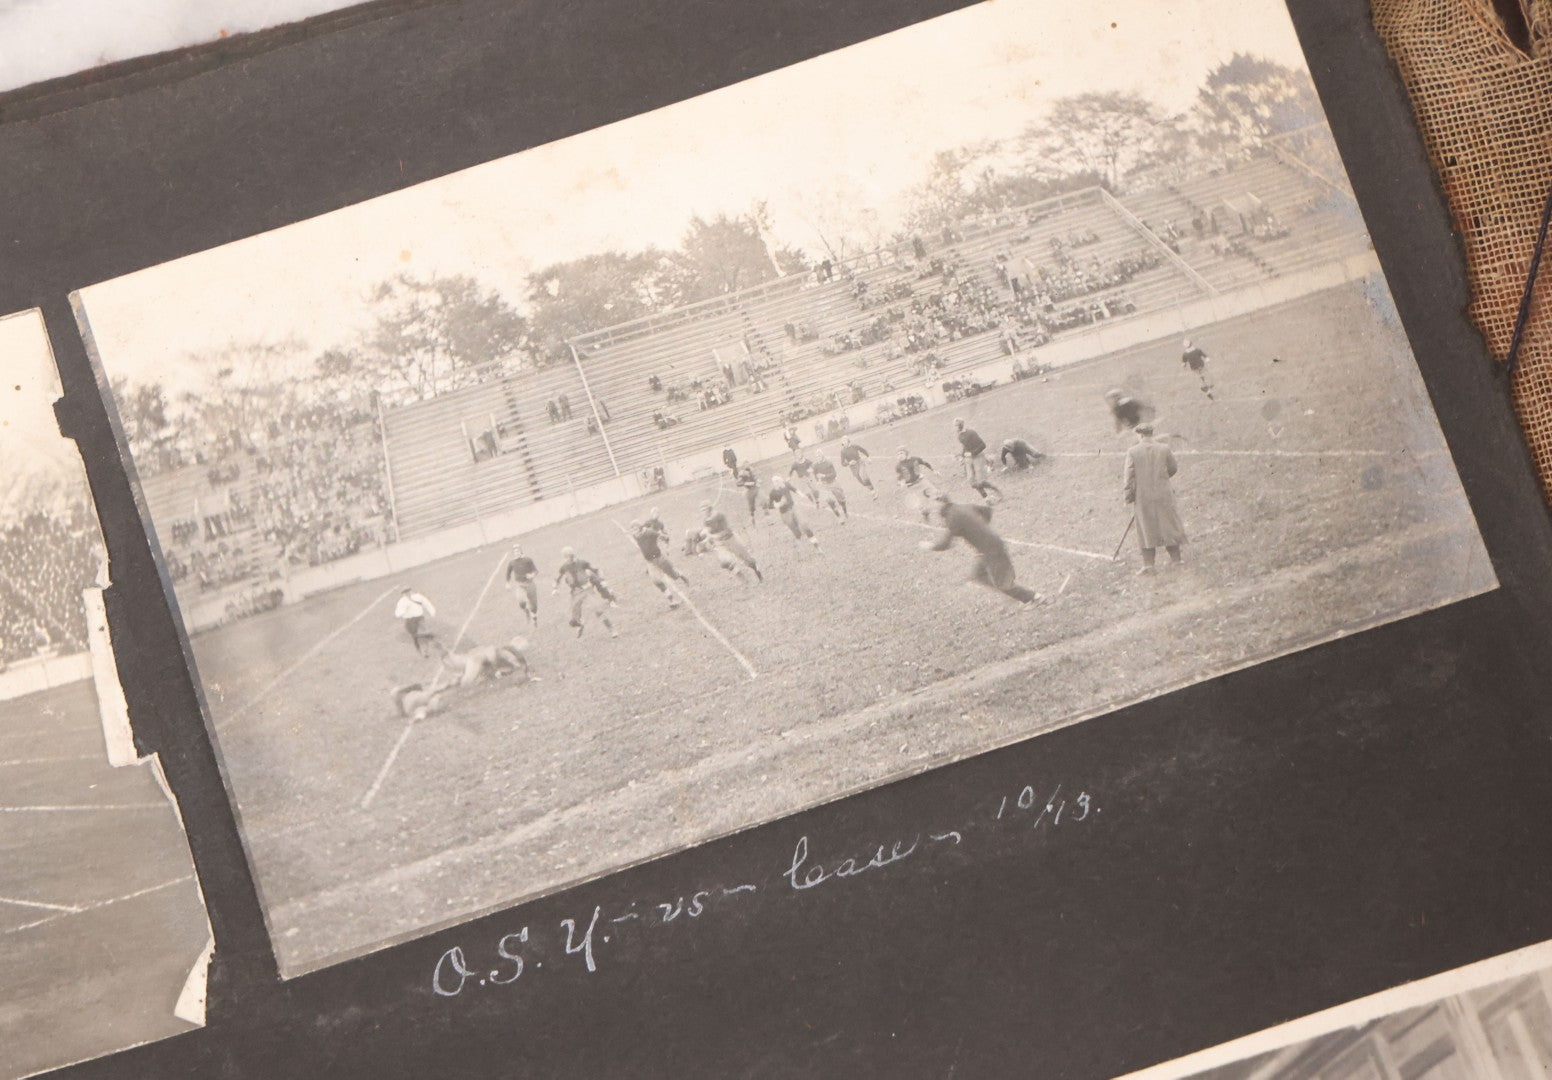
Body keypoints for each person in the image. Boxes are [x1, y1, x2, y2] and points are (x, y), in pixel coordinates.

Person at [919, 494, 1037, 604]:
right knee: (978, 575)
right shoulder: (961, 506)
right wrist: (982, 529)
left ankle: (1034, 597)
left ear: (941, 503)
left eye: (934, 503)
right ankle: (1013, 594)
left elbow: (946, 544)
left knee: (1003, 584)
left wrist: (930, 546)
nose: (933, 508)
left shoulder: (952, 518)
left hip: (991, 550)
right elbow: (987, 511)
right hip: (988, 547)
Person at [1123, 424, 1187, 574]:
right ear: (1151, 434)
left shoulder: (1133, 451)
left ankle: (1149, 565)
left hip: (1143, 495)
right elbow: (1173, 468)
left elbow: (1129, 478)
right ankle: (1176, 561)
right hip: (1164, 493)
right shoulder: (1164, 448)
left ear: (1139, 435)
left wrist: (1128, 497)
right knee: (1169, 525)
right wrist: (1162, 480)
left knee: (1146, 527)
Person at [552, 546, 618, 638]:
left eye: (571, 556)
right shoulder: (564, 566)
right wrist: (555, 588)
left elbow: (596, 570)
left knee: (598, 610)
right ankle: (580, 625)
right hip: (575, 593)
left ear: (573, 555)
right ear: (565, 557)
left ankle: (611, 629)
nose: (570, 559)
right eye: (567, 557)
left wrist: (602, 580)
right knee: (574, 619)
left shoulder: (582, 563)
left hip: (587, 590)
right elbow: (557, 577)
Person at [629, 518, 689, 609]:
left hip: (659, 558)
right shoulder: (635, 536)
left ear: (640, 527)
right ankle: (672, 600)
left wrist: (665, 540)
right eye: (632, 529)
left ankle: (681, 575)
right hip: (650, 562)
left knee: (673, 575)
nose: (634, 531)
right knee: (656, 581)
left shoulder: (649, 532)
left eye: (635, 528)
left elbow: (662, 536)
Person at [701, 501, 764, 580]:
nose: (704, 512)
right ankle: (743, 579)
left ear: (709, 508)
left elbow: (725, 531)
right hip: (720, 543)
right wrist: (708, 538)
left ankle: (758, 573)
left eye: (705, 509)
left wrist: (711, 534)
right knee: (725, 562)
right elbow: (709, 532)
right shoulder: (706, 520)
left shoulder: (719, 515)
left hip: (730, 539)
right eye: (702, 510)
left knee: (748, 561)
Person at [955, 418, 1002, 503]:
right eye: (954, 426)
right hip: (969, 459)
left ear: (961, 425)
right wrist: (961, 455)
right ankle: (986, 498)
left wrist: (972, 453)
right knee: (972, 482)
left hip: (978, 457)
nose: (955, 428)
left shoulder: (971, 433)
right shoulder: (959, 435)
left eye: (956, 426)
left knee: (981, 482)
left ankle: (997, 490)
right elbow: (964, 447)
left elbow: (983, 445)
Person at [768, 476, 822, 550]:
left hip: (793, 508)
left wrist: (802, 495)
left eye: (777, 481)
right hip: (785, 513)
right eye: (774, 482)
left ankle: (817, 546)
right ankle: (798, 540)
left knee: (804, 525)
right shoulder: (773, 492)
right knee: (796, 532)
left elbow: (794, 489)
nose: (776, 483)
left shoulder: (786, 485)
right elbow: (770, 505)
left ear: (781, 480)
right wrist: (778, 504)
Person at [895, 447, 940, 522]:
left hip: (922, 481)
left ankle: (943, 508)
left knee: (936, 494)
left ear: (906, 453)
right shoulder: (898, 466)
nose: (900, 455)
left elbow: (925, 463)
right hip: (912, 486)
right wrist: (900, 482)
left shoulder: (915, 459)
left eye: (901, 453)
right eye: (898, 454)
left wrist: (934, 470)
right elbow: (899, 476)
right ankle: (926, 515)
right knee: (922, 505)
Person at [394, 587, 437, 655]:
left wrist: (432, 612)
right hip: (411, 621)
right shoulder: (403, 601)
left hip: (418, 619)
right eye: (405, 592)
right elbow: (398, 613)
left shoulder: (416, 597)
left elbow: (427, 604)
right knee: (416, 636)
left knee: (422, 634)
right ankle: (422, 650)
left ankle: (425, 651)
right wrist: (403, 611)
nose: (407, 593)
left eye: (407, 591)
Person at [504, 544, 539, 626]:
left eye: (518, 551)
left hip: (530, 584)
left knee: (534, 606)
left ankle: (534, 619)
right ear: (513, 553)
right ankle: (526, 611)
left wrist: (532, 575)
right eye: (515, 551)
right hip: (520, 585)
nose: (516, 553)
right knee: (521, 602)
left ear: (521, 551)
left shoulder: (528, 560)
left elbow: (536, 570)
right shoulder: (511, 563)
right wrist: (507, 583)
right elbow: (508, 573)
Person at [810, 453, 848, 521]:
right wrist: (818, 481)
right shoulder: (815, 465)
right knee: (830, 501)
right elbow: (815, 474)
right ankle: (839, 517)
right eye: (817, 457)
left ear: (822, 456)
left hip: (833, 482)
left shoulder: (828, 463)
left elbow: (834, 474)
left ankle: (845, 512)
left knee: (841, 501)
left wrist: (824, 476)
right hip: (824, 485)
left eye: (819, 456)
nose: (818, 458)